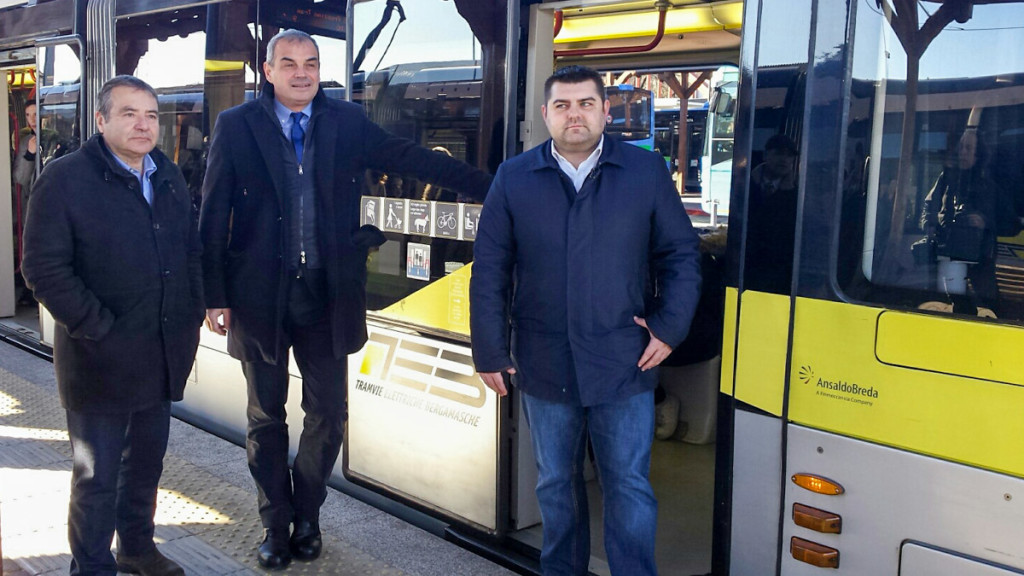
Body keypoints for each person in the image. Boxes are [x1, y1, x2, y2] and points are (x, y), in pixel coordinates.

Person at [199, 29, 491, 570]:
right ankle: (275, 523)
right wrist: (214, 294)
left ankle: (308, 514)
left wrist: (491, 184)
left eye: (310, 63)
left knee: (329, 413)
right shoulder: (236, 126)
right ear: (268, 71)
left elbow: (411, 157)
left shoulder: (347, 123)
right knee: (265, 418)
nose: (301, 72)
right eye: (288, 63)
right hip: (259, 296)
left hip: (327, 295)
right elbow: (214, 212)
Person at [470, 65, 702, 576]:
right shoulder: (515, 177)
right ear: (546, 114)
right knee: (556, 485)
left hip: (626, 359)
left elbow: (681, 255)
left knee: (629, 486)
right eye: (562, 105)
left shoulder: (644, 173)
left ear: (605, 110)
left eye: (586, 103)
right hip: (543, 359)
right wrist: (488, 348)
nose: (574, 114)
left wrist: (670, 327)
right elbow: (489, 269)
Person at [21, 75, 204, 576]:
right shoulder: (63, 180)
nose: (143, 125)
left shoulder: (166, 174)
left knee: (145, 468)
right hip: (97, 360)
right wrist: (98, 327)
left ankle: (137, 550)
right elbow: (42, 269)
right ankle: (93, 566)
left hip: (161, 352)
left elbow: (190, 252)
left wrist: (192, 313)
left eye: (150, 115)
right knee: (96, 477)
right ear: (101, 121)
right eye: (129, 114)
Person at [920, 127, 1021, 314]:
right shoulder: (947, 179)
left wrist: (985, 224)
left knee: (990, 308)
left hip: (981, 260)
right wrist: (931, 227)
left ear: (979, 154)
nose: (963, 153)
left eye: (968, 148)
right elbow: (928, 207)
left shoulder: (990, 187)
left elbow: (1013, 224)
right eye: (961, 148)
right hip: (949, 255)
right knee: (953, 307)